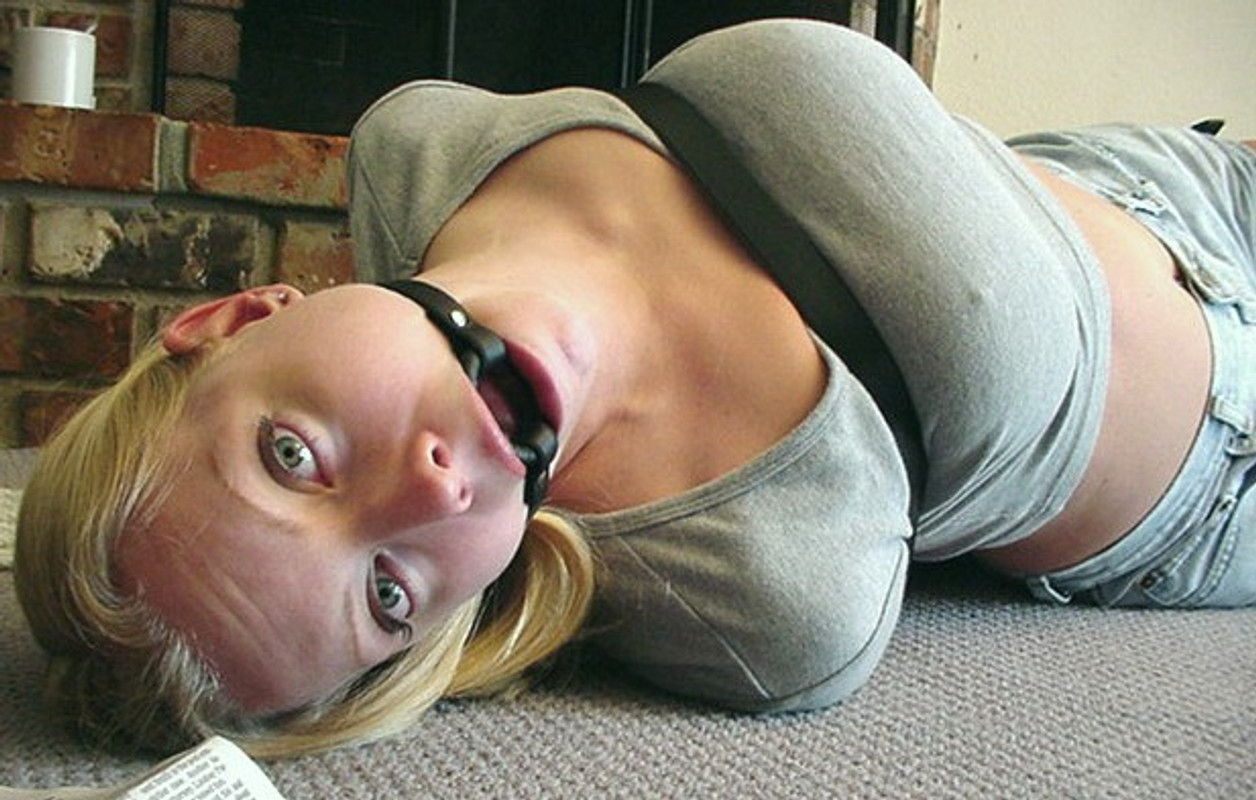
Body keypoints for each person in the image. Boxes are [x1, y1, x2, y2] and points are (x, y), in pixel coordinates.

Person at [14, 18, 1256, 758]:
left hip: (1154, 180)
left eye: (292, 457)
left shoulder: (415, 147)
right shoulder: (761, 595)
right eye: (389, 591)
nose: (431, 495)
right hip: (1210, 479)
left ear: (236, 317)